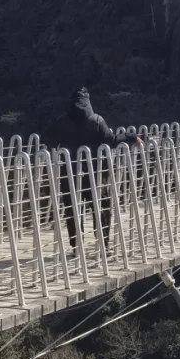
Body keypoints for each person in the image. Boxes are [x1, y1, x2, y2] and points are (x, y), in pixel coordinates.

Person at [46, 87, 129, 251]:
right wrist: (131, 137)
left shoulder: (61, 121)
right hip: (95, 173)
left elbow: (49, 140)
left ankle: (77, 246)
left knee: (73, 210)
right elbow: (110, 140)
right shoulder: (97, 120)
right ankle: (103, 245)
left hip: (70, 172)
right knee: (102, 207)